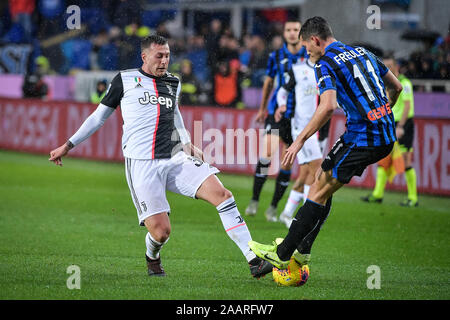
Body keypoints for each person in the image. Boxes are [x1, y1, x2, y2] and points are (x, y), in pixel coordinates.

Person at [49, 35, 272, 278]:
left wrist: (186, 143)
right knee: (161, 232)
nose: (165, 60)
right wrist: (68, 145)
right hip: (142, 163)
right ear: (144, 56)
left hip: (174, 156)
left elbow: (175, 114)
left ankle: (253, 260)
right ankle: (152, 256)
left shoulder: (173, 82)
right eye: (159, 56)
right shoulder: (124, 80)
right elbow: (98, 117)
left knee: (223, 195)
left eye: (167, 55)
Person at [248, 17, 403, 280]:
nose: (308, 53)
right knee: (323, 179)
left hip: (363, 135)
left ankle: (283, 254)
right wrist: (383, 112)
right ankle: (303, 251)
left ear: (316, 40)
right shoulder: (363, 52)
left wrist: (299, 140)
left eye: (308, 47)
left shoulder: (325, 63)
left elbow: (328, 106)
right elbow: (396, 86)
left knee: (319, 188)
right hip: (384, 133)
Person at [245, 19, 307, 222]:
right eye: (288, 29)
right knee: (266, 154)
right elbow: (269, 83)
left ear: (301, 33)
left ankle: (273, 207)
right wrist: (263, 109)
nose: (291, 33)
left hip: (297, 116)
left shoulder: (309, 56)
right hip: (275, 112)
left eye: (295, 30)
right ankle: (254, 200)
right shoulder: (276, 56)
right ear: (284, 33)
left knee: (287, 163)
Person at [361, 56, 418, 207]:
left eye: (390, 65)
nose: (387, 68)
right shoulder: (385, 84)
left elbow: (407, 106)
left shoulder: (404, 83)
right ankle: (377, 194)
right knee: (383, 160)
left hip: (403, 125)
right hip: (391, 123)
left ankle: (413, 198)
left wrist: (401, 127)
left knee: (406, 161)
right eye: (385, 65)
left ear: (396, 66)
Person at [275, 55, 323, 229]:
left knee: (306, 175)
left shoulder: (327, 69)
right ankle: (307, 217)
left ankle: (287, 213)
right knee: (318, 169)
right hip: (302, 128)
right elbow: (282, 91)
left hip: (319, 128)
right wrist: (281, 105)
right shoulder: (297, 69)